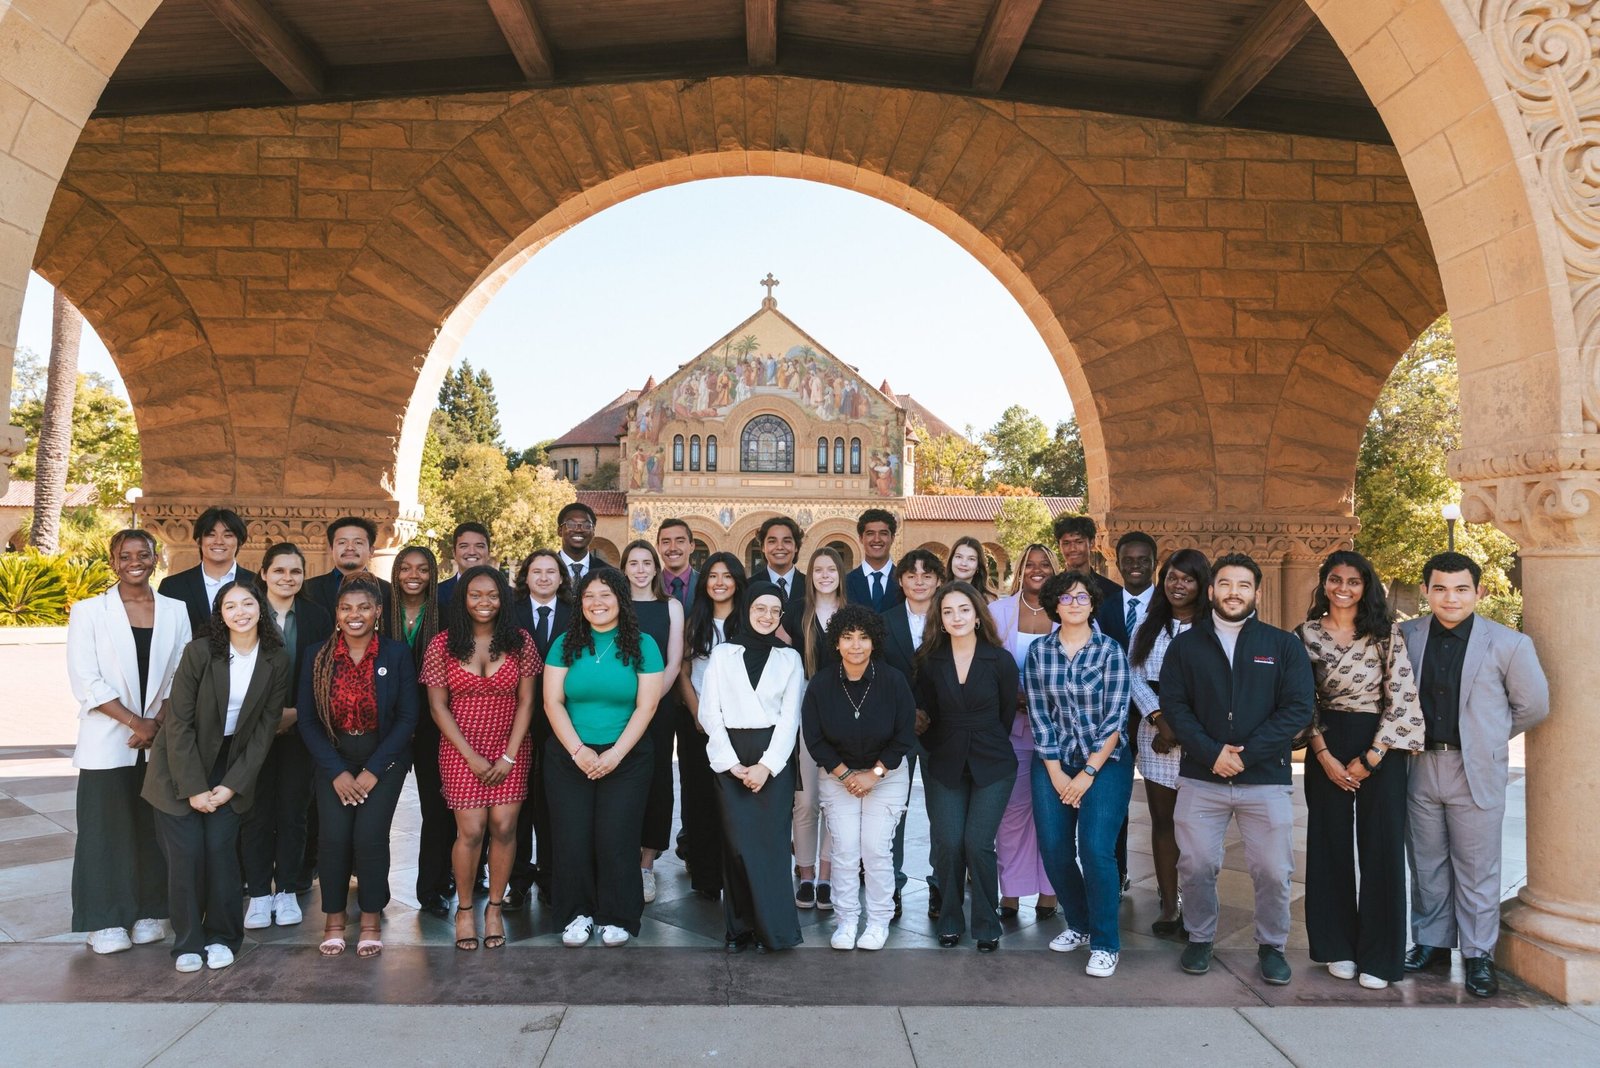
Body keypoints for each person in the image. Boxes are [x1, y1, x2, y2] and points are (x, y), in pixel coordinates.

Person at [1161, 553, 1314, 986]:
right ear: (1211, 591)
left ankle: (1271, 946)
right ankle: (1199, 937)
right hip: (1200, 776)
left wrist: (1245, 756)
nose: (1233, 592)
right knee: (1195, 864)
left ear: (1257, 593)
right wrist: (1212, 754)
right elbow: (1175, 706)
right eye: (1225, 584)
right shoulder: (1185, 646)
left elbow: (1297, 709)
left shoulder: (1283, 645)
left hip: (1264, 779)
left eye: (1243, 585)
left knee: (1272, 869)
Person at [1401, 551, 1548, 999]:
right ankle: (1431, 943)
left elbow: (1533, 706)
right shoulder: (1403, 636)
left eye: (1462, 588)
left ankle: (1479, 955)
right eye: (1440, 588)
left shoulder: (1508, 644)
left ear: (1479, 592)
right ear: (1426, 591)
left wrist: (1487, 737)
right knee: (1425, 863)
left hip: (1473, 768)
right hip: (1418, 765)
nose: (1451, 598)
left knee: (1477, 868)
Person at [143, 580, 291, 972]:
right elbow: (179, 724)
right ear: (220, 615)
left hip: (232, 762)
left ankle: (224, 937)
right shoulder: (200, 652)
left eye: (247, 603)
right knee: (187, 853)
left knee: (221, 853)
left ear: (261, 607)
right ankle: (189, 942)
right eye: (230, 606)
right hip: (179, 762)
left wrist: (231, 785)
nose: (240, 612)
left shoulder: (276, 658)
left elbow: (264, 731)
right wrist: (193, 788)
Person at [1296, 550, 1425, 990]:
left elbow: (1403, 696)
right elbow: (1300, 702)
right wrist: (1325, 755)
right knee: (1329, 845)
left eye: (1354, 581)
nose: (1344, 588)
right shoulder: (1306, 635)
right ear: (1324, 583)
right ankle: (1337, 947)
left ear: (1366, 586)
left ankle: (1381, 957)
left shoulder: (1387, 634)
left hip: (1381, 744)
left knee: (1382, 848)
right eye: (1336, 579)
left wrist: (1372, 756)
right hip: (1326, 742)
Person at [67, 530, 192, 955]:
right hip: (107, 737)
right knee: (104, 830)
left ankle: (147, 912)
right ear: (112, 561)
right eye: (125, 555)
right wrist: (135, 722)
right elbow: (86, 679)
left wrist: (155, 723)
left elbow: (182, 671)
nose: (134, 561)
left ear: (156, 559)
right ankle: (104, 920)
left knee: (151, 828)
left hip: (157, 738)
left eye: (143, 554)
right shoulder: (89, 612)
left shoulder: (176, 611)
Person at [297, 572, 419, 958]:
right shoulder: (317, 656)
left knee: (369, 837)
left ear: (378, 612)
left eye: (364, 607)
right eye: (347, 608)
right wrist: (336, 771)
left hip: (382, 759)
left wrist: (372, 771)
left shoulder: (396, 654)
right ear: (336, 613)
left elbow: (407, 718)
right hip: (333, 759)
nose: (355, 615)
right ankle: (334, 920)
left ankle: (369, 918)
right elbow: (307, 719)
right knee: (333, 839)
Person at [543, 568, 665, 948]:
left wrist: (614, 754)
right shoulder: (564, 643)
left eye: (606, 595)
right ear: (580, 604)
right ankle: (576, 913)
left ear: (621, 600)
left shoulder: (644, 645)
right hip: (569, 755)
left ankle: (618, 915)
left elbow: (646, 707)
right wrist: (579, 751)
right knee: (572, 837)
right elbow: (552, 701)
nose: (597, 603)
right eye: (589, 596)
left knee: (617, 836)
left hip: (626, 756)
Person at [422, 565, 540, 951]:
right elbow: (438, 707)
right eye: (475, 595)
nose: (484, 602)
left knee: (505, 826)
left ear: (503, 599)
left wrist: (507, 755)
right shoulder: (442, 644)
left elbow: (526, 702)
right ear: (463, 600)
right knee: (471, 830)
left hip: (511, 745)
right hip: (460, 747)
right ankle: (465, 909)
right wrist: (470, 755)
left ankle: (493, 909)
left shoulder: (520, 642)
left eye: (492, 595)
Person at [1025, 571, 1134, 977]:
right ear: (1054, 604)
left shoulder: (1110, 651)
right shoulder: (1039, 652)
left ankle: (1106, 942)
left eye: (1082, 597)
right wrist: (1056, 773)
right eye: (1066, 598)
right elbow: (1039, 716)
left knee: (1094, 848)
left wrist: (1087, 772)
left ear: (1093, 604)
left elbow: (1115, 720)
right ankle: (1081, 924)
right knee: (1053, 847)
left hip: (1105, 763)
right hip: (1053, 761)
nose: (1074, 603)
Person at [698, 582, 806, 953]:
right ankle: (740, 928)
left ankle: (775, 931)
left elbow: (790, 718)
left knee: (772, 846)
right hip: (730, 755)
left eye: (775, 611)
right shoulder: (723, 655)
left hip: (772, 757)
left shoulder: (790, 658)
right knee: (738, 846)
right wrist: (732, 764)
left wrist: (766, 766)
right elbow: (710, 712)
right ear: (746, 609)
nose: (767, 616)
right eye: (760, 608)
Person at [802, 604, 916, 950]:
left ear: (873, 642)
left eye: (863, 638)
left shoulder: (893, 681)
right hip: (838, 777)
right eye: (848, 637)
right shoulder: (822, 684)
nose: (855, 645)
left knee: (876, 849)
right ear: (836, 643)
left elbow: (904, 734)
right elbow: (815, 737)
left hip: (888, 776)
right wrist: (847, 774)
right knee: (846, 849)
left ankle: (878, 921)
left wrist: (875, 774)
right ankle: (847, 920)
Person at [918, 581, 1019, 952]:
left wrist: (983, 739)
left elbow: (1006, 714)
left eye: (963, 609)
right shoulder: (929, 661)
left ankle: (986, 923)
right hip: (944, 761)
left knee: (977, 843)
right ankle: (949, 920)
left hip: (993, 763)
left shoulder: (1000, 660)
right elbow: (925, 712)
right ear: (940, 620)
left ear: (977, 615)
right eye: (947, 611)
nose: (956, 617)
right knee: (948, 843)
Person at [242, 542, 331, 931]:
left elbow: (326, 672)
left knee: (294, 811)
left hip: (300, 728)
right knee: (257, 812)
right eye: (279, 571)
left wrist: (297, 713)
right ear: (263, 574)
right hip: (250, 730)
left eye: (295, 572)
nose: (287, 578)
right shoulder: (245, 611)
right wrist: (265, 717)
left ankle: (288, 890)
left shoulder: (317, 616)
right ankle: (260, 893)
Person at [1128, 549, 1212, 938]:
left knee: (1197, 829)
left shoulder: (1215, 627)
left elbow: (1217, 685)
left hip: (1200, 735)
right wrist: (1160, 721)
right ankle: (1168, 904)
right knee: (1163, 823)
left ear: (1202, 585)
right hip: (1154, 734)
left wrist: (1180, 727)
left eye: (1188, 578)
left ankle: (1198, 903)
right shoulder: (1149, 624)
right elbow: (1133, 675)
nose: (1179, 585)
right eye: (1172, 577)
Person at [989, 543, 1060, 920]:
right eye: (1030, 565)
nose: (1037, 570)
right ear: (1019, 570)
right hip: (1011, 729)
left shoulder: (1071, 609)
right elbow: (983, 662)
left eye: (1044, 565)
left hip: (1059, 732)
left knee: (1053, 813)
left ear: (1054, 569)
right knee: (1012, 812)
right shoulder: (999, 611)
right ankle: (1012, 893)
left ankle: (1051, 892)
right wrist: (1008, 696)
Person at [386, 545, 454, 918]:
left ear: (433, 574)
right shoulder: (382, 611)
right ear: (396, 573)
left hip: (433, 725)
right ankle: (369, 885)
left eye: (423, 569)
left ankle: (434, 888)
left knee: (437, 809)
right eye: (406, 568)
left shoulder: (443, 615)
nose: (414, 575)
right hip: (387, 726)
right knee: (377, 811)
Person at [678, 553, 748, 899]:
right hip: (702, 726)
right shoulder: (696, 622)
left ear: (737, 581)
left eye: (727, 576)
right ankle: (706, 877)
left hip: (741, 726)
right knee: (701, 799)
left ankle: (737, 874)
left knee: (735, 801)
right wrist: (697, 714)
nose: (720, 582)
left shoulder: (749, 621)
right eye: (712, 576)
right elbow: (684, 673)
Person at [621, 540, 685, 904]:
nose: (641, 569)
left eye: (647, 562)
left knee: (657, 782)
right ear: (625, 568)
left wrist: (647, 704)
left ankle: (646, 866)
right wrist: (628, 706)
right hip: (618, 710)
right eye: (634, 563)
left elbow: (674, 662)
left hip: (658, 709)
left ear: (656, 568)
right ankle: (621, 859)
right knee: (620, 782)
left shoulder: (671, 607)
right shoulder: (615, 604)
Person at [881, 548, 944, 919]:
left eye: (927, 574)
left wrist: (930, 713)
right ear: (901, 581)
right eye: (911, 575)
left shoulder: (950, 617)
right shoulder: (884, 621)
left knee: (942, 812)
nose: (919, 581)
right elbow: (879, 677)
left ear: (938, 580)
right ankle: (891, 886)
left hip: (942, 730)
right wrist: (909, 714)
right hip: (897, 731)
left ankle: (940, 885)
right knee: (894, 812)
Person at [509, 548, 571, 908]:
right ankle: (517, 879)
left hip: (560, 722)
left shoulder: (574, 613)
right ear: (526, 577)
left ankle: (550, 877)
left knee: (552, 805)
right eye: (537, 571)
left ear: (561, 578)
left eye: (551, 571)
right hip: (516, 720)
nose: (544, 577)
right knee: (518, 805)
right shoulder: (511, 613)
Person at [793, 546, 844, 910]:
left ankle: (827, 876)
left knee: (835, 799)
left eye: (831, 569)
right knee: (807, 799)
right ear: (810, 575)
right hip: (804, 710)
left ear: (841, 573)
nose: (824, 575)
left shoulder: (853, 614)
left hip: (845, 713)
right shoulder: (797, 612)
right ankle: (806, 874)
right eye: (818, 570)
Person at [159, 507, 258, 637]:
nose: (218, 541)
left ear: (239, 541)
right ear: (199, 540)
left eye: (228, 535)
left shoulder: (257, 583)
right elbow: (164, 635)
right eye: (210, 535)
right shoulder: (172, 586)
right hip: (190, 657)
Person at [304, 516, 394, 623]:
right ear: (331, 549)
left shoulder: (388, 591)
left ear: (371, 550)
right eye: (342, 542)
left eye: (358, 542)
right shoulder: (308, 590)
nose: (350, 548)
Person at [751, 515, 807, 639]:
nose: (780, 547)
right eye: (772, 541)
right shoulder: (748, 586)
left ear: (796, 547)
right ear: (763, 547)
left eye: (786, 541)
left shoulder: (811, 586)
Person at [1053, 513, 1121, 603]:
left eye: (1079, 542)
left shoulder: (1112, 592)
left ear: (1091, 543)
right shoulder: (1051, 589)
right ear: (1059, 546)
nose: (1073, 549)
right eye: (1066, 543)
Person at [846, 508, 903, 611]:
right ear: (860, 538)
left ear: (893, 538)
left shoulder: (904, 581)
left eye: (883, 533)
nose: (877, 539)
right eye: (870, 533)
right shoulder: (845, 582)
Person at [436, 522, 492, 627]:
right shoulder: (436, 595)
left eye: (479, 546)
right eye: (464, 546)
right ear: (454, 553)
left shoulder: (509, 596)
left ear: (488, 552)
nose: (471, 552)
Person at [556, 502, 611, 583]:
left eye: (586, 525)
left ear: (593, 532)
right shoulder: (544, 570)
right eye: (571, 524)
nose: (579, 529)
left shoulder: (609, 574)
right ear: (560, 531)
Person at [657, 518, 698, 608]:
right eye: (666, 542)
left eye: (680, 541)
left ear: (692, 546)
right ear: (658, 548)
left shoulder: (706, 583)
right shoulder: (650, 586)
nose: (673, 548)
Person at [946, 536, 995, 602]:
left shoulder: (988, 600)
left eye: (971, 559)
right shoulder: (937, 595)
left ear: (978, 565)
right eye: (959, 557)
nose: (963, 563)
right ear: (951, 560)